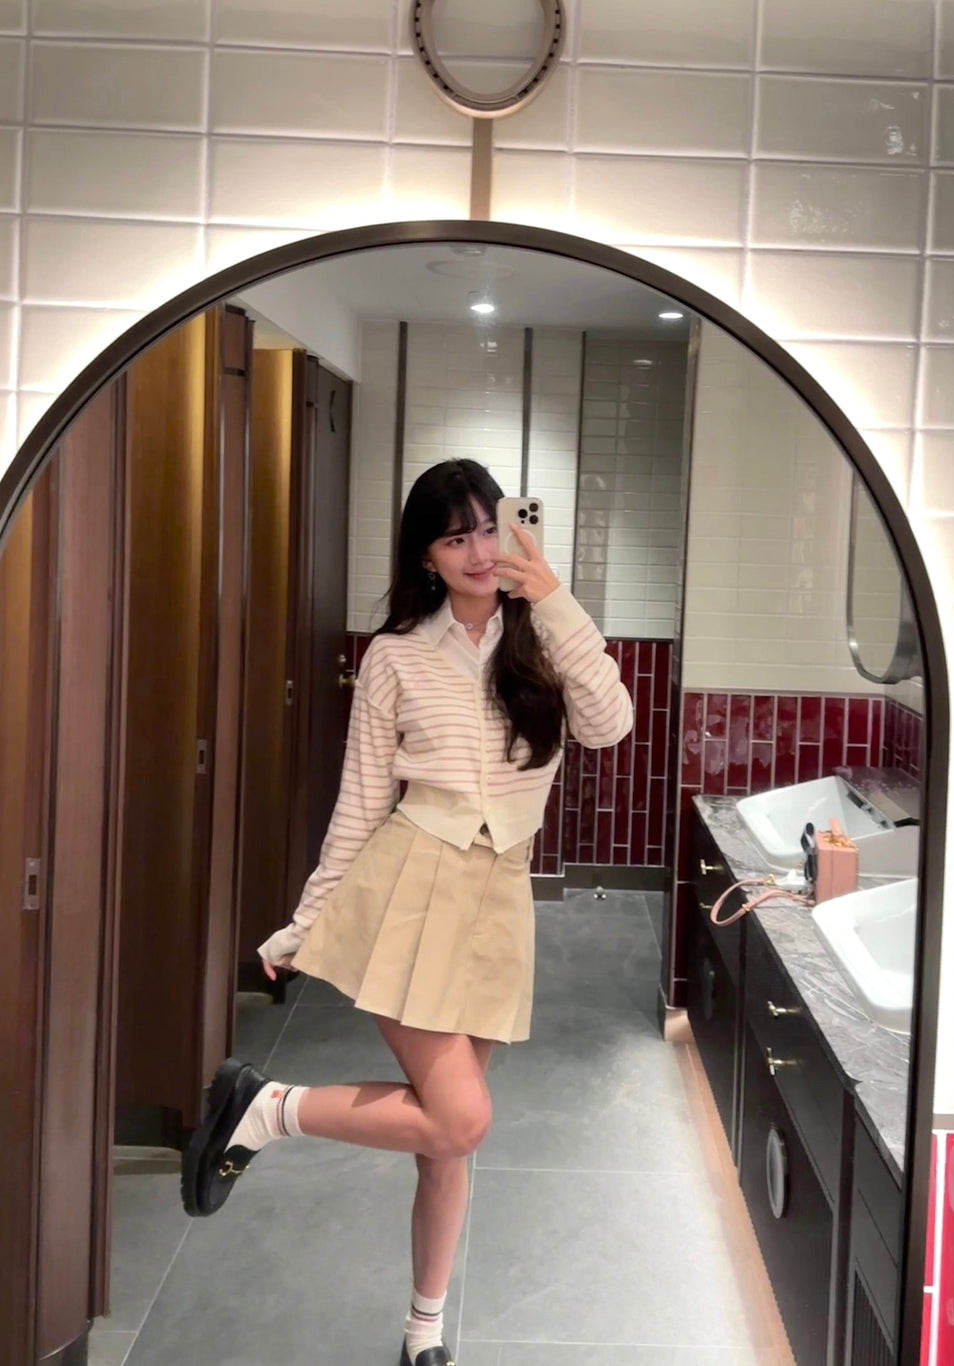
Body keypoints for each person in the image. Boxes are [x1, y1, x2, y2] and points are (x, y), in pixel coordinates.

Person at [181, 457, 633, 1366]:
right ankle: (268, 1108)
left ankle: (423, 1332)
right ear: (426, 555)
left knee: (445, 1142)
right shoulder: (394, 656)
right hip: (409, 887)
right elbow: (357, 805)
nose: (479, 551)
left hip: (499, 901)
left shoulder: (543, 641)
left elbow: (610, 724)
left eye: (489, 529)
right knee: (461, 1119)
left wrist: (554, 599)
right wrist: (305, 922)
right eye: (456, 537)